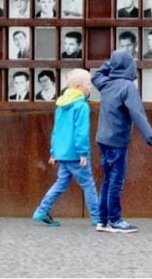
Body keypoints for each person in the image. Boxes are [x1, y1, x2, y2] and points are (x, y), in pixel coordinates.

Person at [92, 50, 152, 233]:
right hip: (117, 141)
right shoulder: (127, 87)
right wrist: (149, 135)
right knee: (116, 181)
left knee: (107, 179)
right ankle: (115, 220)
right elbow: (137, 112)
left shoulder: (106, 83)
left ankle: (102, 220)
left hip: (102, 139)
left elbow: (96, 75)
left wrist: (111, 63)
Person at [31, 68, 101, 228]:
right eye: (88, 84)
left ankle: (42, 210)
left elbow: (56, 131)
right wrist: (83, 153)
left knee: (61, 183)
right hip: (77, 155)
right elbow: (81, 132)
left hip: (62, 153)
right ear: (79, 86)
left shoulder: (61, 105)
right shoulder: (82, 106)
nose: (91, 87)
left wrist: (53, 152)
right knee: (88, 184)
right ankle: (98, 218)